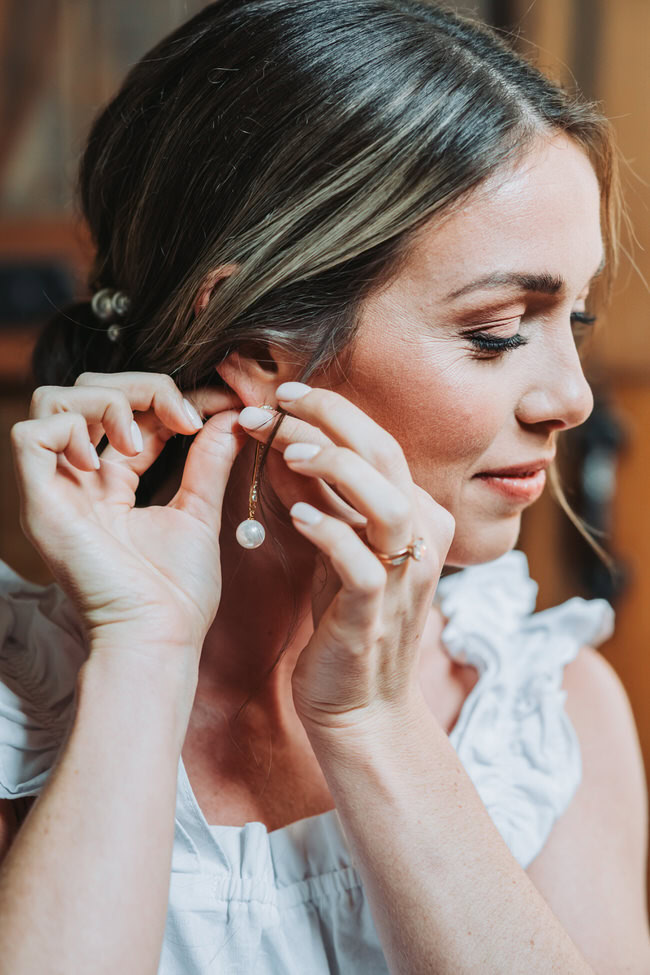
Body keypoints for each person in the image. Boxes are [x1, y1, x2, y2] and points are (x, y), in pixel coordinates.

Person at [0, 0, 648, 971]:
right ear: (256, 345)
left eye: (575, 325)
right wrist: (144, 653)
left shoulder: (544, 712)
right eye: (496, 332)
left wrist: (373, 721)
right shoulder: (20, 710)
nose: (566, 396)